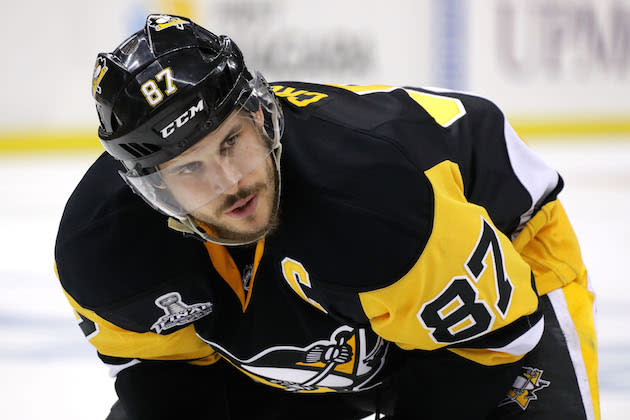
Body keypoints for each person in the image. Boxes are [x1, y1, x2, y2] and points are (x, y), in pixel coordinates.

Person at [55, 14, 599, 420]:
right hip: (348, 306)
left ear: (261, 115)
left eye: (231, 143)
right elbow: (166, 389)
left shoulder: (376, 201)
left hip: (495, 259)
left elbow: (496, 344)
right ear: (153, 189)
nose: (229, 182)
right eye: (190, 168)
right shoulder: (101, 247)